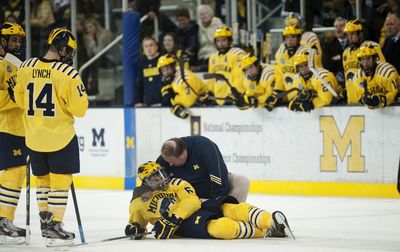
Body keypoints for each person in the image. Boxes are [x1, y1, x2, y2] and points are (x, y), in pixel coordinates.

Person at [14, 28, 88, 245]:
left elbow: (19, 99)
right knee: (60, 181)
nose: (69, 55)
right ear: (63, 48)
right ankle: (54, 226)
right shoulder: (68, 74)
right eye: (69, 50)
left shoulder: (25, 67)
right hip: (60, 137)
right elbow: (80, 109)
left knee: (43, 181)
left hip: (34, 138)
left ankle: (46, 222)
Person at [125, 161, 293, 240]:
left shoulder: (176, 183)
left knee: (231, 207)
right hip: (185, 225)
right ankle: (264, 231)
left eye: (161, 174)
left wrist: (172, 218)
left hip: (196, 207)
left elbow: (192, 201)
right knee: (220, 228)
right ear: (145, 182)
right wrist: (134, 231)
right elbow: (137, 225)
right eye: (154, 178)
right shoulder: (138, 202)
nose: (161, 179)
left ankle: (271, 221)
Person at [156, 136, 250, 203]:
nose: (170, 164)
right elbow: (153, 183)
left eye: (173, 162)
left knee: (242, 181)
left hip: (212, 191)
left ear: (182, 155)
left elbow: (218, 175)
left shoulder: (203, 146)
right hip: (189, 200)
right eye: (167, 161)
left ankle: (232, 214)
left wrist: (217, 202)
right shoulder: (165, 159)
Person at [0, 22, 27, 241]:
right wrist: (21, 98)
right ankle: (2, 220)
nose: (17, 43)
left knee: (15, 173)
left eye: (19, 39)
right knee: (15, 172)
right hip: (6, 128)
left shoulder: (15, 63)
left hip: (17, 128)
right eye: (13, 39)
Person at [273, 25, 321, 110]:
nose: (289, 40)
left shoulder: (308, 52)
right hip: (292, 99)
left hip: (308, 98)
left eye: (293, 37)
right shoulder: (279, 54)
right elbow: (280, 76)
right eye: (287, 37)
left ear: (299, 38)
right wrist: (277, 93)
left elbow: (316, 73)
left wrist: (310, 92)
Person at [342, 19, 386, 104]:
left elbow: (382, 72)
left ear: (361, 34)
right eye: (348, 34)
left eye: (353, 34)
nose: (349, 37)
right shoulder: (345, 53)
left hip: (369, 99)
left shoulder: (372, 47)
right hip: (351, 101)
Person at [157, 54, 209, 119]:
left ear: (173, 66)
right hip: (199, 109)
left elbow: (189, 101)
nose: (166, 72)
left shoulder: (183, 79)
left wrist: (173, 100)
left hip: (207, 107)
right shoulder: (171, 77)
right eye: (163, 70)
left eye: (167, 68)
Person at [208, 27, 246, 106]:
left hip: (234, 100)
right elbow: (211, 79)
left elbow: (239, 78)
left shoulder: (237, 54)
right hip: (218, 99)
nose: (221, 44)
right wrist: (210, 93)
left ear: (230, 41)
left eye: (224, 40)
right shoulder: (213, 57)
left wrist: (234, 96)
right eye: (218, 41)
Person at [134, 37, 162, 108]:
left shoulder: (163, 60)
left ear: (156, 47)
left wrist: (164, 102)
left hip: (163, 104)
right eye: (146, 46)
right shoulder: (142, 62)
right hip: (149, 104)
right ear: (143, 49)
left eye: (151, 45)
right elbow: (139, 84)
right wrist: (138, 101)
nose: (148, 48)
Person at [197, 4, 224, 72]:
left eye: (206, 13)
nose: (204, 16)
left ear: (211, 14)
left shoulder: (219, 25)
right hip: (202, 57)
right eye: (201, 14)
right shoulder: (199, 27)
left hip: (215, 55)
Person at [322, 17, 348, 89]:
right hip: (336, 80)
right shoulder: (328, 44)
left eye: (341, 26)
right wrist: (345, 59)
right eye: (336, 26)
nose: (338, 28)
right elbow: (326, 64)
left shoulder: (353, 42)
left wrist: (339, 57)